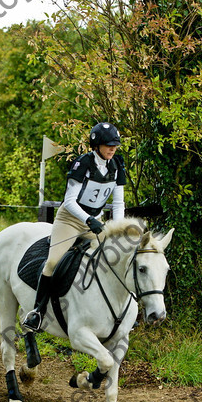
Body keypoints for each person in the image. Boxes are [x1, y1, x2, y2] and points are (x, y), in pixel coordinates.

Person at [22, 122, 127, 332]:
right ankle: (37, 313)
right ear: (96, 145)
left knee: (114, 259)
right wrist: (89, 220)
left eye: (115, 145)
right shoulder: (83, 163)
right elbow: (69, 201)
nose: (113, 149)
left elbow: (118, 203)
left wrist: (118, 228)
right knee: (52, 263)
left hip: (95, 223)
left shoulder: (116, 165)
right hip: (70, 220)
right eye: (108, 145)